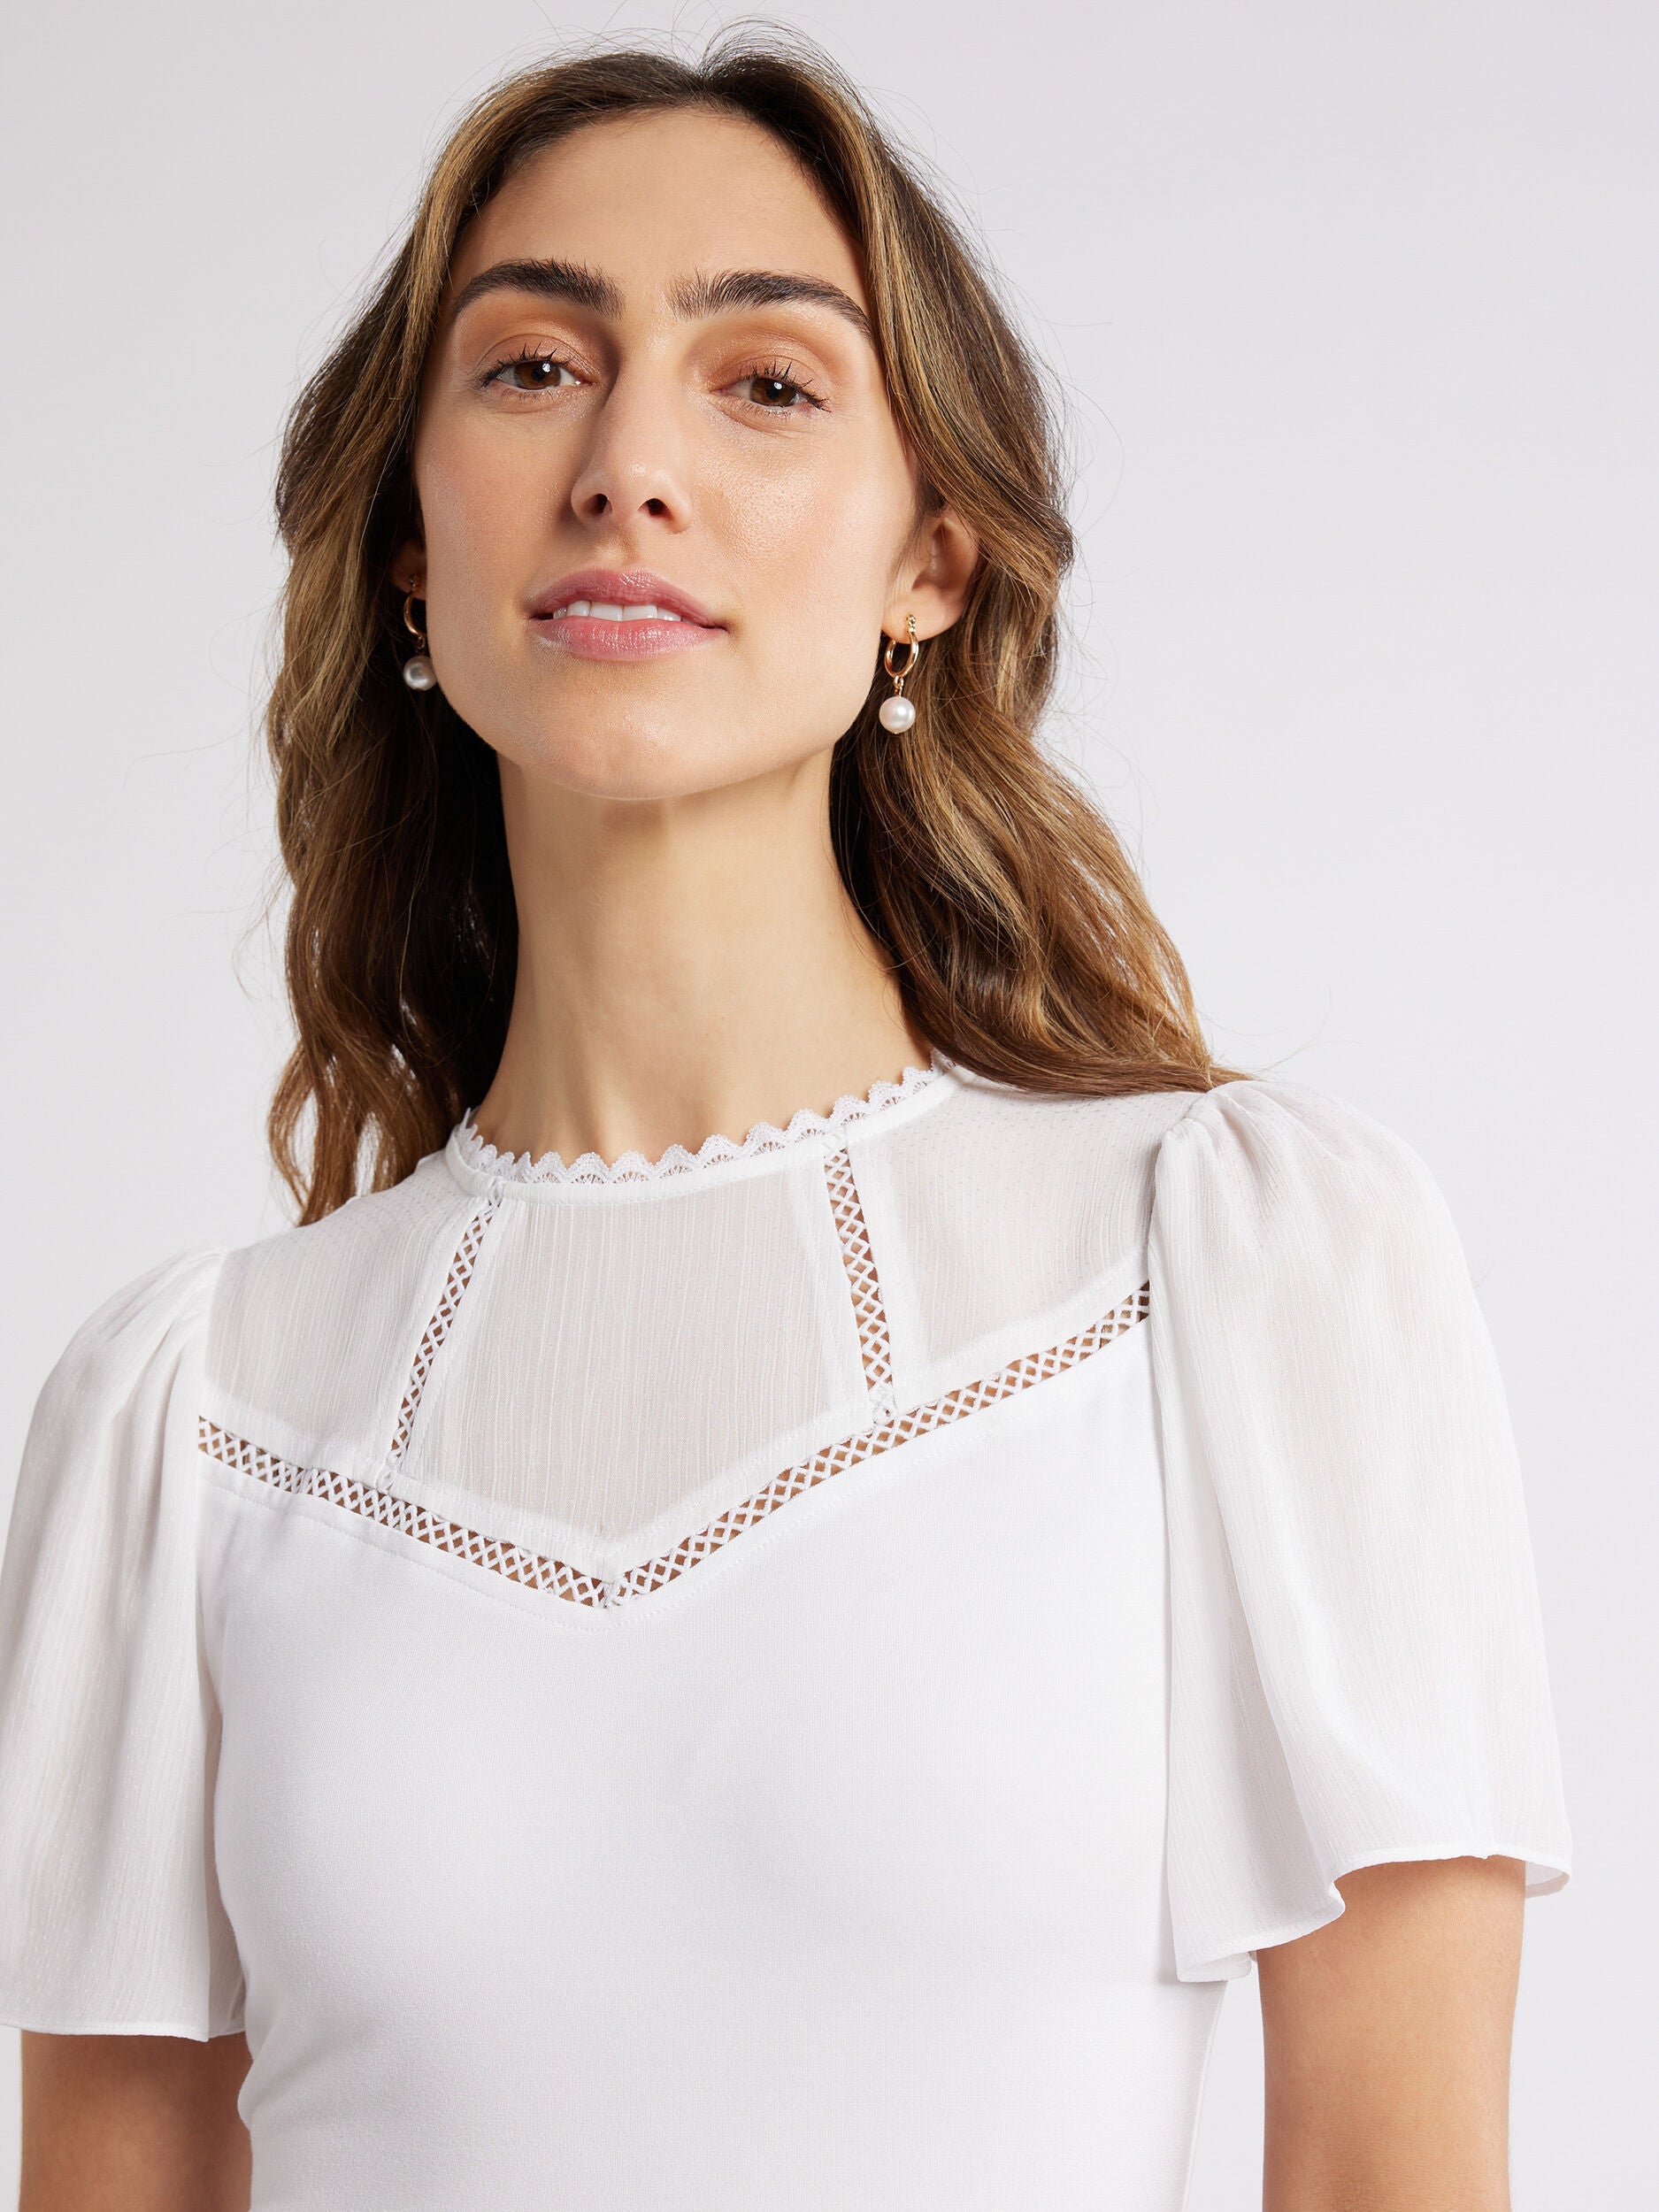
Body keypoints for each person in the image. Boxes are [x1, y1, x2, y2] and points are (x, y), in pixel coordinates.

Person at [0, 27, 1571, 2212]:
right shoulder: (186, 1420)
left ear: (934, 558)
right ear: (406, 545)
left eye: (763, 381)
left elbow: (1395, 2176)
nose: (629, 463)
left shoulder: (1229, 1264)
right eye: (532, 367)